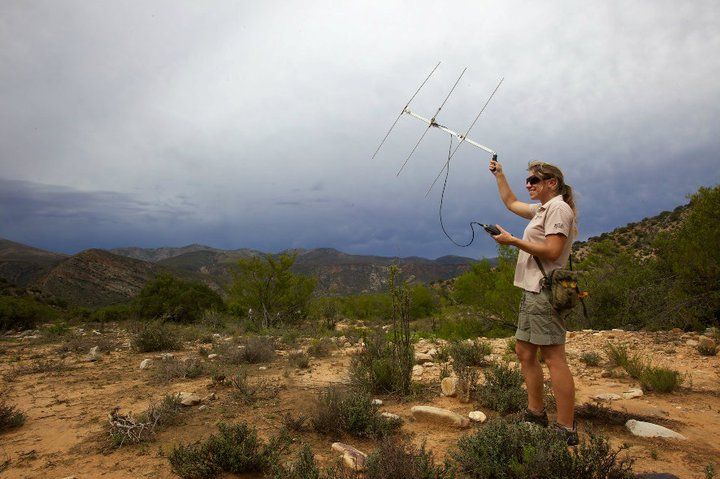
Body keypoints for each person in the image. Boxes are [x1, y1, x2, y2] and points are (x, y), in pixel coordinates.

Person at [488, 157, 579, 446]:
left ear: (551, 183)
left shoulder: (558, 209)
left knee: (553, 358)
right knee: (524, 352)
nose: (528, 184)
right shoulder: (543, 208)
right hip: (532, 291)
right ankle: (535, 414)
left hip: (544, 291)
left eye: (534, 180)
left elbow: (552, 251)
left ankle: (565, 428)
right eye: (528, 180)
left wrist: (513, 241)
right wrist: (499, 174)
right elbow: (511, 203)